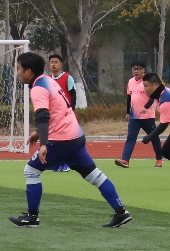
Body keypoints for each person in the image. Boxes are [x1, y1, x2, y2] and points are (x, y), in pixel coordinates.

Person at [8, 51, 131, 228]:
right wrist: (38, 132)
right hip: (76, 137)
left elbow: (43, 116)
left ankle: (32, 217)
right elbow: (57, 111)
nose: (18, 72)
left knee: (31, 171)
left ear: (29, 72)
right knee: (94, 175)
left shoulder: (38, 88)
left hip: (61, 140)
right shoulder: (48, 80)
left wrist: (44, 144)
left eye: (19, 68)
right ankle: (121, 212)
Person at [114, 61, 163, 169]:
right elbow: (129, 97)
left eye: (138, 69)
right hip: (134, 117)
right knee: (130, 138)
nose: (136, 71)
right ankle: (125, 160)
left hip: (148, 117)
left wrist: (146, 107)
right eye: (134, 69)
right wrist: (128, 112)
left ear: (143, 70)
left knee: (154, 138)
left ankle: (159, 159)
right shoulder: (131, 81)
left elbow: (153, 96)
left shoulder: (147, 81)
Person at [46, 53, 76, 172]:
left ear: (61, 64)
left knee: (65, 140)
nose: (53, 64)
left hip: (65, 114)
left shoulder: (67, 78)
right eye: (51, 62)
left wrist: (71, 111)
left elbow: (73, 95)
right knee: (53, 140)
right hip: (53, 114)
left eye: (56, 62)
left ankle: (65, 164)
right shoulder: (47, 79)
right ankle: (58, 163)